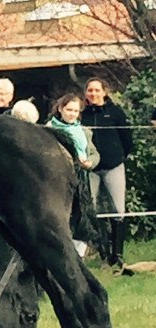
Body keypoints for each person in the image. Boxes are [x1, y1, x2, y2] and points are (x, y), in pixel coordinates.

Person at [81, 77, 133, 272]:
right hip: (90, 169)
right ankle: (102, 253)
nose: (93, 94)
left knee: (118, 210)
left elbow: (127, 139)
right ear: (86, 93)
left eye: (97, 90)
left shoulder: (115, 113)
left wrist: (118, 156)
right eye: (90, 90)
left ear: (104, 92)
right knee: (91, 210)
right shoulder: (82, 115)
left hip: (113, 167)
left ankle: (117, 254)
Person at [47, 93, 99, 258]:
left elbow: (94, 153)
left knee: (82, 216)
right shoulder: (49, 129)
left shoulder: (83, 131)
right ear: (61, 109)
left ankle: (79, 256)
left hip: (82, 179)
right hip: (59, 180)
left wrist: (90, 162)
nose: (72, 114)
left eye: (76, 111)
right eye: (69, 109)